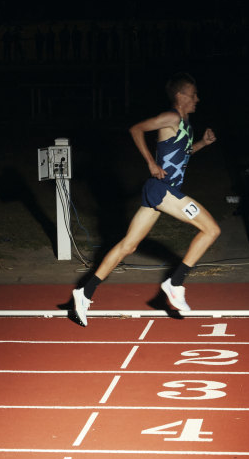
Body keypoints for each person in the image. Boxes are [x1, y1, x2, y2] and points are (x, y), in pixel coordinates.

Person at [72, 72, 220, 324]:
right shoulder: (171, 117)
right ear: (181, 96)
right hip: (162, 190)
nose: (197, 98)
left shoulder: (185, 124)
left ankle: (84, 293)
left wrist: (202, 144)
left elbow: (182, 155)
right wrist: (151, 163)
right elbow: (136, 128)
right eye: (193, 94)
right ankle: (175, 284)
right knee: (211, 230)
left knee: (128, 246)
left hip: (159, 192)